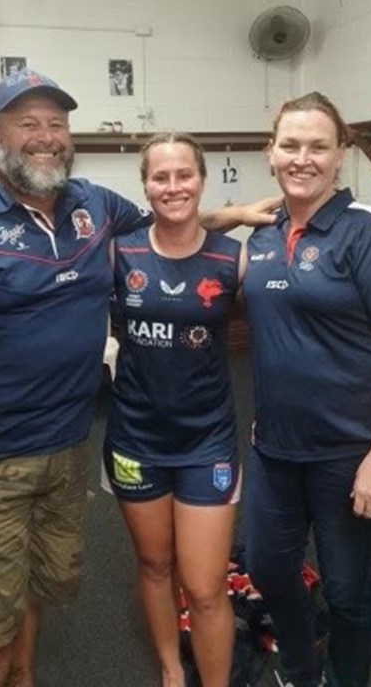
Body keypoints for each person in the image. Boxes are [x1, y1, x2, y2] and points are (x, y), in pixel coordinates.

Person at [0, 68, 275, 687]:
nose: (46, 136)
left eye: (56, 123)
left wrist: (234, 214)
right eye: (27, 123)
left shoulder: (92, 205)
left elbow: (171, 225)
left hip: (65, 449)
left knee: (31, 592)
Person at [241, 92, 371, 687]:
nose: (303, 158)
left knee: (348, 593)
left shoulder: (367, 231)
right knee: (268, 570)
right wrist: (228, 215)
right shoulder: (264, 235)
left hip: (351, 456)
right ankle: (302, 671)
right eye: (290, 145)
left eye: (318, 146)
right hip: (274, 450)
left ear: (340, 154)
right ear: (271, 153)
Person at [103, 133, 243, 687]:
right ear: (145, 187)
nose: (173, 186)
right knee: (156, 565)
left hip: (207, 442)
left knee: (205, 586)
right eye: (160, 177)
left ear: (201, 180)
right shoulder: (121, 252)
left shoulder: (234, 257)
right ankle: (170, 668)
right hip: (135, 440)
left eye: (184, 174)